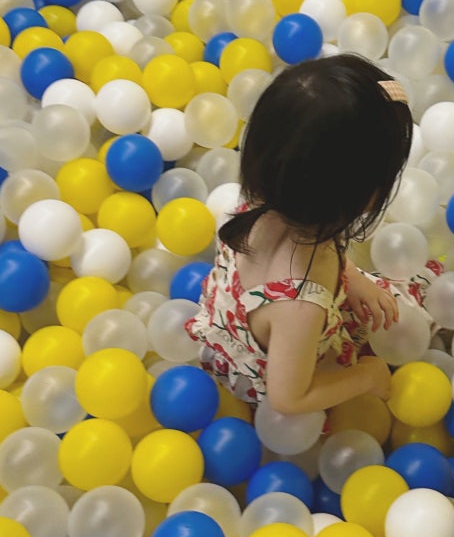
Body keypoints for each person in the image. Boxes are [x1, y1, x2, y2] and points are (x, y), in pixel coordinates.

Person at [186, 53, 440, 415]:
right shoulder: (300, 305)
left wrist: (352, 278)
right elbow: (288, 399)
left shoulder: (267, 201)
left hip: (244, 330)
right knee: (424, 298)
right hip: (277, 372)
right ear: (359, 195)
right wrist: (366, 376)